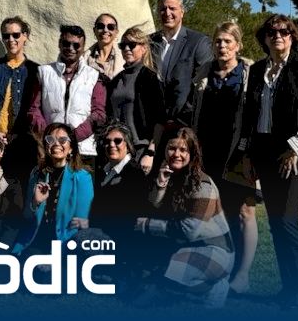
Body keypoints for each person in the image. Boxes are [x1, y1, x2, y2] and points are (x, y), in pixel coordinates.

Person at [240, 14, 298, 309]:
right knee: (276, 223)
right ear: (264, 38)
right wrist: (247, 154)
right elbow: (249, 117)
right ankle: (288, 288)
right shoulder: (258, 70)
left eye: (284, 32)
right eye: (272, 32)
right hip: (263, 153)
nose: (278, 36)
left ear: (292, 37)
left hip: (294, 155)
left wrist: (294, 150)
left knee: (287, 221)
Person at [184, 21, 258, 293]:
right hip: (208, 153)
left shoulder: (249, 74)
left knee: (245, 212)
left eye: (228, 41)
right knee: (214, 212)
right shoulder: (204, 73)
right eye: (218, 41)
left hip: (240, 153)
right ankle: (216, 268)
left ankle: (243, 274)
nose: (222, 46)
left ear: (238, 45)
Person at [135, 127, 234, 308]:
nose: (176, 154)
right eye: (172, 148)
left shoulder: (202, 184)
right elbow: (154, 206)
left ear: (192, 154)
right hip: (184, 245)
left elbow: (189, 231)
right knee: (150, 271)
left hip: (215, 250)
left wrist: (147, 225)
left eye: (183, 150)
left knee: (172, 274)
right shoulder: (171, 174)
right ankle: (168, 284)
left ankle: (214, 287)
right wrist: (161, 184)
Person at [14, 123, 94, 255]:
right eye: (50, 139)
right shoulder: (36, 173)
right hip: (34, 241)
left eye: (62, 140)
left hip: (66, 244)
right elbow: (27, 216)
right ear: (46, 146)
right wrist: (35, 202)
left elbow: (81, 222)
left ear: (71, 148)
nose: (56, 143)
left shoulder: (82, 177)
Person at [28, 25, 106, 159]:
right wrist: (50, 135)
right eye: (66, 43)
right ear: (59, 43)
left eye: (76, 45)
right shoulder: (43, 72)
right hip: (52, 148)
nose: (70, 48)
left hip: (83, 149)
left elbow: (99, 114)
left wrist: (72, 137)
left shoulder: (94, 76)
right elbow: (33, 110)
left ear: (83, 47)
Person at [0, 16, 41, 184]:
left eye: (16, 35)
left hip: (25, 145)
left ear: (25, 36)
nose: (11, 40)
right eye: (6, 36)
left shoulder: (36, 71)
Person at [89, 122, 148, 285]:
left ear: (127, 145)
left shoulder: (134, 174)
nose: (111, 145)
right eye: (107, 141)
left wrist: (90, 224)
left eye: (117, 141)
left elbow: (128, 218)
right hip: (106, 233)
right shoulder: (105, 172)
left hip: (123, 240)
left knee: (81, 240)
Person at [108, 25, 166, 170]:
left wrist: (151, 152)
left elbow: (160, 119)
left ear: (144, 48)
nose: (127, 49)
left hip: (140, 149)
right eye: (123, 45)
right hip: (117, 148)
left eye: (132, 45)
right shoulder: (116, 80)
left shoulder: (149, 77)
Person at [150, 0, 212, 122]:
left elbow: (203, 86)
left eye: (172, 8)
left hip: (184, 122)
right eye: (163, 9)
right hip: (152, 122)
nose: (167, 13)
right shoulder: (149, 42)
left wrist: (184, 120)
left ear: (182, 12)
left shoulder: (198, 42)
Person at [85, 13, 125, 80]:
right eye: (101, 26)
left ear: (116, 32)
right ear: (94, 30)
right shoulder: (84, 58)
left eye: (111, 27)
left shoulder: (124, 59)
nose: (105, 30)